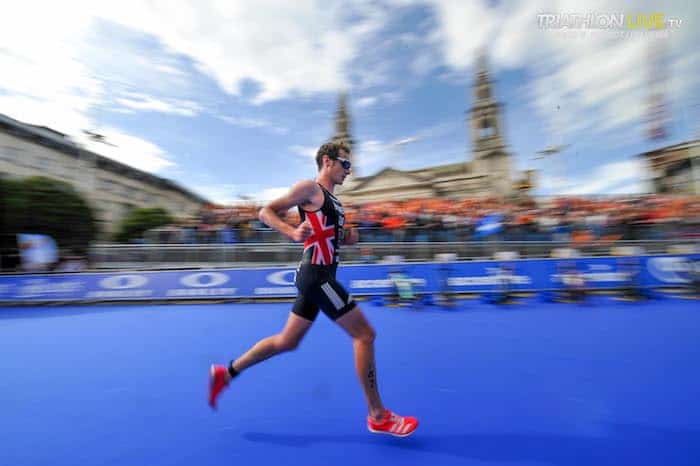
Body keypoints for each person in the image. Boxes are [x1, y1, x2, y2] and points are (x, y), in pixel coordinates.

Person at [208, 141, 418, 437]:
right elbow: (265, 212)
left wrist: (350, 237)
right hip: (316, 275)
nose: (350, 170)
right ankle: (378, 415)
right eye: (346, 164)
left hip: (317, 275)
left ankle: (226, 372)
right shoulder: (310, 188)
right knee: (365, 335)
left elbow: (333, 237)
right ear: (328, 162)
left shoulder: (334, 202)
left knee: (287, 341)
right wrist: (293, 232)